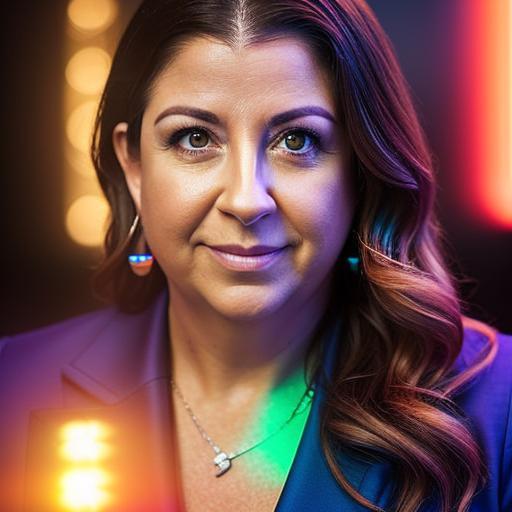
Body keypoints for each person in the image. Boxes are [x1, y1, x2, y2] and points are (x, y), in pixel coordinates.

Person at [1, 0, 510, 511]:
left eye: (297, 140)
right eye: (195, 138)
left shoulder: (501, 407)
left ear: (360, 170)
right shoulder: (12, 387)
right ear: (134, 165)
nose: (246, 200)